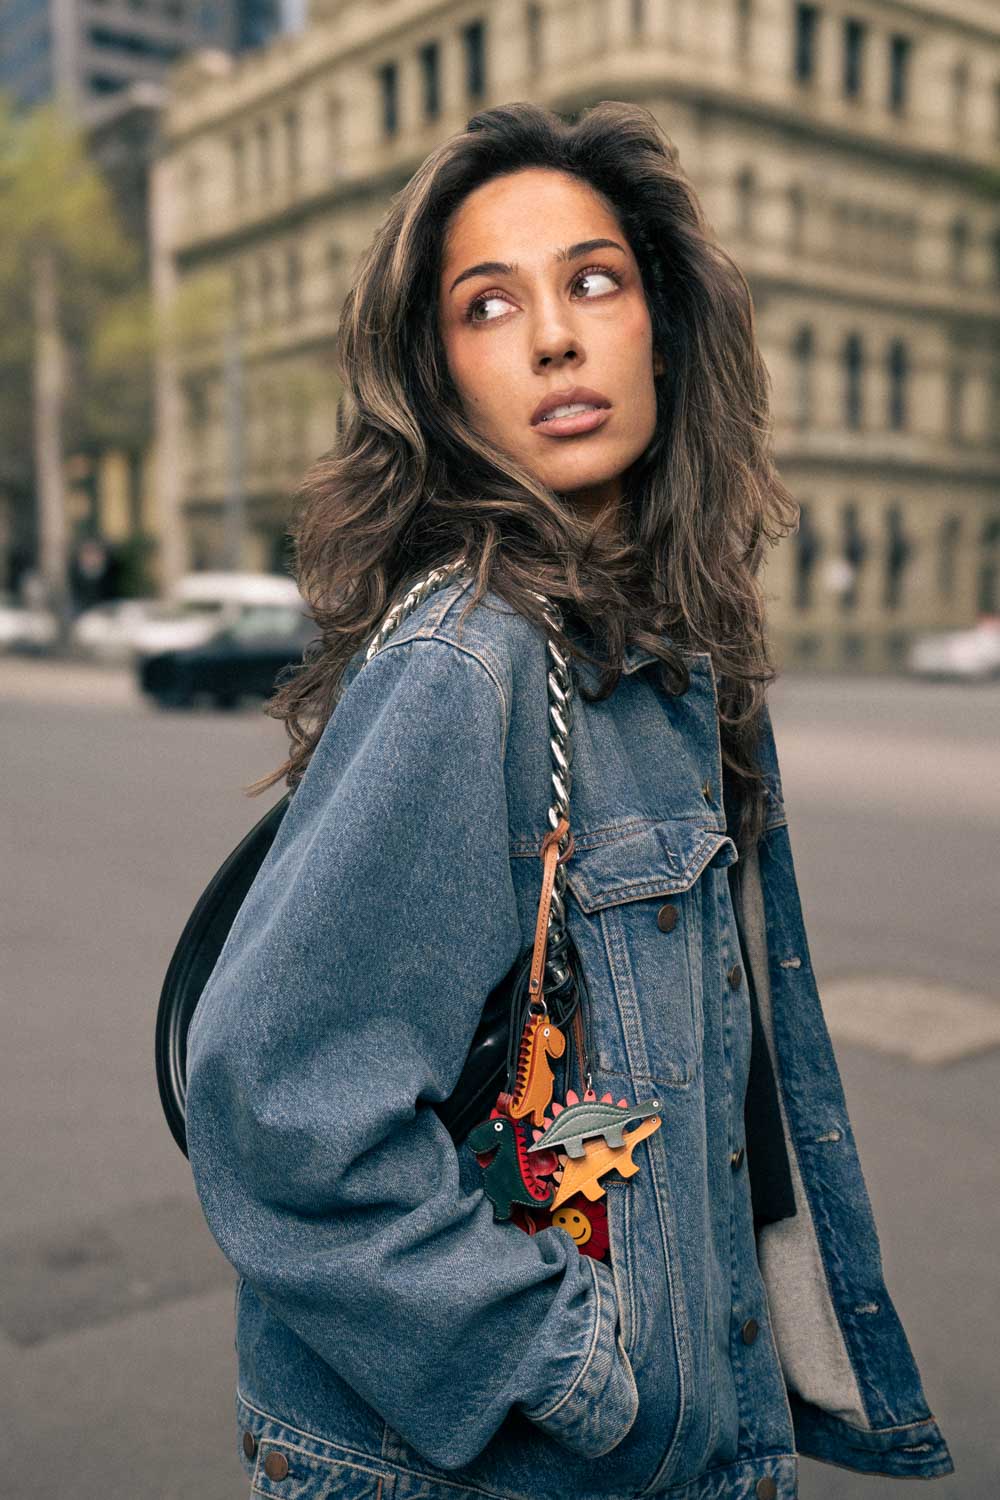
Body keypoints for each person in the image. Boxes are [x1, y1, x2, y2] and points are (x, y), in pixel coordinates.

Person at [183, 101, 953, 1499]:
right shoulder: (465, 662)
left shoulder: (672, 662)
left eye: (593, 281)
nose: (554, 336)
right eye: (490, 306)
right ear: (442, 377)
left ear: (664, 319)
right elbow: (275, 1103)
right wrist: (574, 1370)